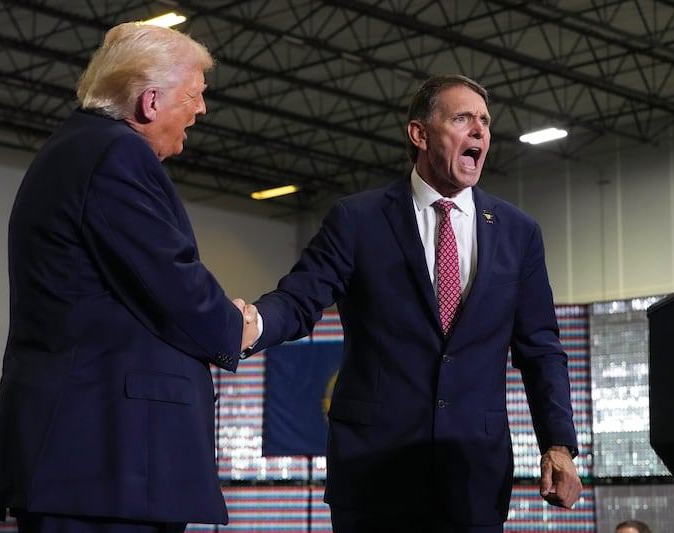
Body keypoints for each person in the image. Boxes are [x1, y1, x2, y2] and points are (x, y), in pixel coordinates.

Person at [245, 74, 583, 532]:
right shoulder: (358, 219)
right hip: (374, 475)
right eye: (463, 118)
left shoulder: (517, 232)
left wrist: (558, 444)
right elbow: (301, 297)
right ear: (419, 133)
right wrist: (256, 322)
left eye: (485, 121)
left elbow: (540, 347)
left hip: (473, 476)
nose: (480, 131)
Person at [0, 22, 258, 533]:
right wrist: (235, 325)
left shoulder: (78, 150)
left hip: (89, 464)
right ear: (150, 101)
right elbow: (171, 283)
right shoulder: (116, 154)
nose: (202, 110)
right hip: (105, 461)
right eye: (194, 95)